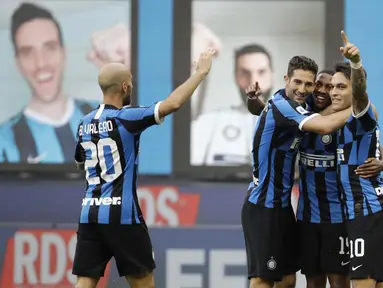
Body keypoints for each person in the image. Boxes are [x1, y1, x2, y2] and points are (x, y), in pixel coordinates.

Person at [72, 49, 215, 288]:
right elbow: (173, 104)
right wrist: (200, 72)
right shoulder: (127, 117)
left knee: (85, 281)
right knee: (143, 282)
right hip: (123, 216)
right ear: (125, 87)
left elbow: (80, 162)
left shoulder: (83, 123)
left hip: (90, 213)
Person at [241, 55, 353, 288]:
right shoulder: (284, 106)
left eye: (308, 84)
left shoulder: (298, 108)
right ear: (286, 79)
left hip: (284, 208)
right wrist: (360, 106)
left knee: (288, 279)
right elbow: (324, 125)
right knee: (263, 279)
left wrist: (252, 101)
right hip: (264, 207)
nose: (303, 89)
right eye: (298, 82)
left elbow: (262, 111)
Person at [0, 2, 101, 163]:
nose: (41, 64)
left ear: (63, 53)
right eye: (28, 53)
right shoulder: (4, 141)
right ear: (18, 63)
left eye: (50, 48)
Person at [334, 31, 383, 288]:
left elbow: (362, 95)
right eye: (333, 86)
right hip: (365, 212)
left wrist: (356, 65)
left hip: (366, 211)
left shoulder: (360, 117)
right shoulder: (334, 122)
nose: (334, 92)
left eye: (342, 87)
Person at [295, 69, 351, 288]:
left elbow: (375, 149)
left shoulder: (343, 123)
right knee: (313, 282)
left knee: (338, 282)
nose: (322, 90)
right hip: (307, 216)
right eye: (319, 84)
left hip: (337, 217)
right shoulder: (301, 116)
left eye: (330, 87)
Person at [191, 44, 273, 166]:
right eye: (245, 73)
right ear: (236, 77)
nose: (254, 83)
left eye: (261, 72)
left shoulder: (297, 122)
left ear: (272, 75)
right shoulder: (209, 122)